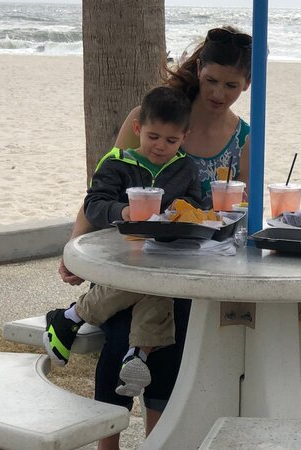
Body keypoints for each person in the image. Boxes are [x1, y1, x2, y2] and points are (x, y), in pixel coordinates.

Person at [57, 26, 252, 449]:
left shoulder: (243, 138)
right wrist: (74, 246)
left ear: (246, 85)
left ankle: (155, 441)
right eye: (212, 80)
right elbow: (103, 185)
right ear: (199, 69)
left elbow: (243, 210)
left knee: (174, 336)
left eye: (232, 85)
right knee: (123, 329)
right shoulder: (148, 118)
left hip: (196, 266)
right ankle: (108, 442)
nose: (219, 93)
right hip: (129, 257)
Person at [44, 85, 201, 397]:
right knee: (139, 284)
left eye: (171, 140)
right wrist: (123, 210)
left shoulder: (186, 168)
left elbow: (194, 205)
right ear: (137, 128)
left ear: (184, 137)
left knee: (160, 291)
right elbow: (95, 203)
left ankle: (138, 355)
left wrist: (180, 212)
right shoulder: (117, 163)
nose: (160, 147)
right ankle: (70, 317)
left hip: (161, 253)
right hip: (119, 254)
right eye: (153, 136)